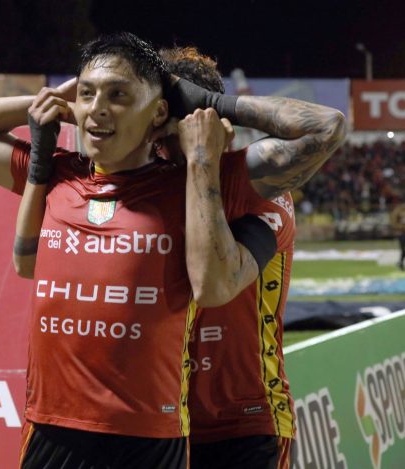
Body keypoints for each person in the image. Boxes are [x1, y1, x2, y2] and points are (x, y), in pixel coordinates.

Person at [0, 32, 288, 468]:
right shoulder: (74, 178)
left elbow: (214, 286)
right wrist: (61, 100)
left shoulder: (239, 193)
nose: (165, 144)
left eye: (120, 96)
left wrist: (209, 139)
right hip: (143, 413)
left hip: (237, 419)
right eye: (91, 94)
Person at [156, 46, 298, 469]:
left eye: (185, 127)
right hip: (163, 420)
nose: (170, 146)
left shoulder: (260, 190)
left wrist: (222, 114)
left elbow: (323, 127)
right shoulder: (149, 188)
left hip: (247, 421)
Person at [392, 202, 405, 270]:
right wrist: (401, 227)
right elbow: (394, 223)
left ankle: (400, 263)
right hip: (401, 233)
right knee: (403, 249)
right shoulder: (398, 211)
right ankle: (400, 263)